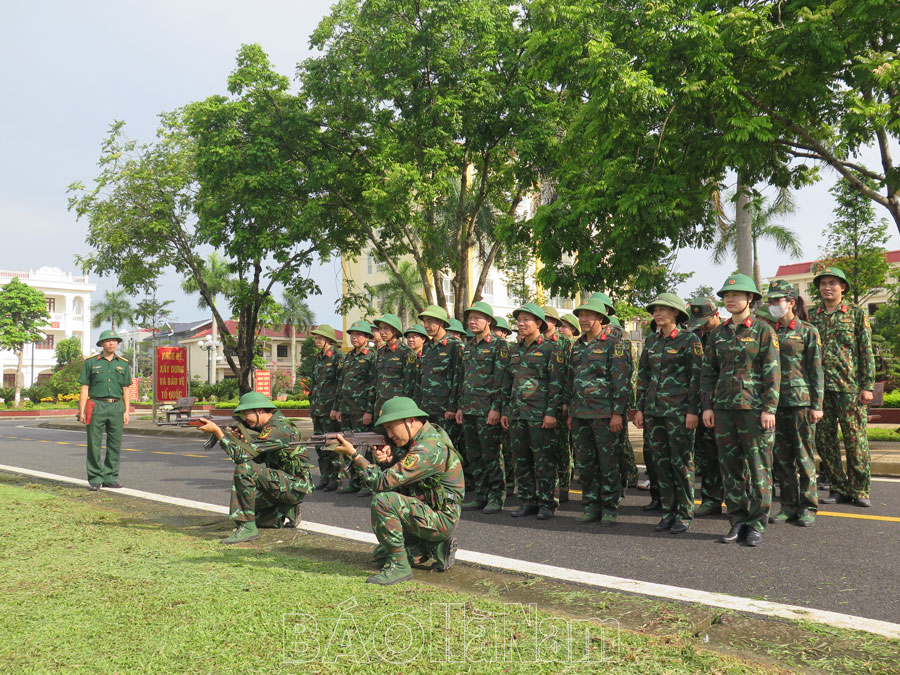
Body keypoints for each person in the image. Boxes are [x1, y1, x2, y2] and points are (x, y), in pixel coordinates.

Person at [331, 397, 464, 585]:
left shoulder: (428, 448)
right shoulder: (421, 441)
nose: (389, 434)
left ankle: (401, 568)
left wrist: (355, 456)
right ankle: (435, 547)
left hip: (440, 519)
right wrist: (388, 460)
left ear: (410, 420)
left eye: (391, 427)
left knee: (384, 501)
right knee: (381, 555)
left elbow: (381, 483)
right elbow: (405, 476)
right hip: (426, 511)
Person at [701, 274, 781, 547]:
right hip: (724, 410)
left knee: (759, 468)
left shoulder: (763, 331)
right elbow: (709, 373)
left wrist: (769, 408)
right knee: (730, 468)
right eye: (726, 296)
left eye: (736, 296)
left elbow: (772, 373)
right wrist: (707, 407)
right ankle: (737, 520)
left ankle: (757, 523)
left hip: (754, 410)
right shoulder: (718, 334)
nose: (730, 300)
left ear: (750, 299)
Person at [198, 392, 314, 543]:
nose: (244, 419)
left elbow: (242, 459)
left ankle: (248, 529)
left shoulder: (278, 429)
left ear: (259, 410)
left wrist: (218, 432)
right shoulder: (272, 427)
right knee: (243, 513)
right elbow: (257, 457)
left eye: (246, 413)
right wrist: (241, 439)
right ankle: (286, 510)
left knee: (244, 469)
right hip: (282, 484)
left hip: (293, 486)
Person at [634, 293, 703, 534]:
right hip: (654, 412)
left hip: (679, 413)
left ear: (676, 313)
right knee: (660, 464)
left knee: (681, 464)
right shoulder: (652, 342)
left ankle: (684, 513)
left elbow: (697, 379)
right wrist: (640, 408)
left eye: (663, 309)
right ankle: (668, 511)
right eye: (655, 309)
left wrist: (693, 411)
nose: (657, 313)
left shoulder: (689, 340)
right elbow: (643, 377)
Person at [809, 266, 876, 507]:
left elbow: (865, 350)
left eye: (832, 283)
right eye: (823, 283)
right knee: (825, 441)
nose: (827, 287)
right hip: (821, 390)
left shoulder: (856, 313)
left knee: (855, 440)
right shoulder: (812, 315)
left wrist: (867, 385)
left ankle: (860, 489)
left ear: (843, 287)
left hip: (850, 388)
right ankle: (838, 487)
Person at [566, 298, 630, 526]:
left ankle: (610, 508)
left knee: (608, 462)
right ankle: (591, 505)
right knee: (585, 463)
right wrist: (571, 412)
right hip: (581, 413)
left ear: (600, 318)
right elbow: (571, 381)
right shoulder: (577, 345)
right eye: (581, 315)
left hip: (604, 414)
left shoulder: (614, 344)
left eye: (588, 315)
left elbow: (620, 381)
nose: (583, 319)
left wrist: (617, 414)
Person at [766, 280, 824, 526]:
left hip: (800, 402)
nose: (772, 305)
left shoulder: (808, 331)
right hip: (774, 403)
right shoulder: (768, 331)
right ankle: (788, 506)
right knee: (781, 457)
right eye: (770, 301)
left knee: (804, 455)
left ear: (791, 302)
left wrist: (817, 404)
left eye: (777, 301)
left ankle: (808, 506)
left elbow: (816, 370)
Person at [501, 303, 563, 519]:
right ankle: (528, 500)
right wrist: (506, 411)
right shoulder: (514, 350)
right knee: (521, 460)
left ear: (538, 323)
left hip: (540, 414)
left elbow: (556, 383)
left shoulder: (551, 349)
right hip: (518, 414)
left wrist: (551, 412)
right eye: (519, 320)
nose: (521, 323)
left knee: (544, 460)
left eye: (526, 319)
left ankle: (547, 502)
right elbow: (509, 383)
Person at [456, 301, 509, 514]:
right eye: (470, 318)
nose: (472, 321)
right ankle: (481, 495)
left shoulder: (498, 345)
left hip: (487, 410)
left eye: (477, 317)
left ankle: (496, 497)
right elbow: (464, 379)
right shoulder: (468, 346)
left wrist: (496, 408)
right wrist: (461, 406)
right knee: (474, 456)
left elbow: (501, 380)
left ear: (488, 321)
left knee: (491, 456)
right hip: (469, 408)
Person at [78, 330, 131, 490]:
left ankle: (110, 477)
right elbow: (85, 387)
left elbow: (126, 389)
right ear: (101, 343)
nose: (111, 343)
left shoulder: (123, 363)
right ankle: (95, 478)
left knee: (115, 443)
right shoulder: (91, 362)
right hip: (96, 405)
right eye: (108, 341)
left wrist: (127, 411)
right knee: (94, 443)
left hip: (116, 406)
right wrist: (81, 411)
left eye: (114, 341)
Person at [687, 297, 724, 516]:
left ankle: (739, 499)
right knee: (708, 454)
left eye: (705, 321)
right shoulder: (695, 337)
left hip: (728, 403)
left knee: (733, 455)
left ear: (716, 315)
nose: (701, 325)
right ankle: (711, 499)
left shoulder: (729, 333)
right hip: (703, 402)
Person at [333, 320, 377, 495]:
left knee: (363, 447)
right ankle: (354, 481)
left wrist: (369, 411)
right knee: (347, 445)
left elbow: (373, 385)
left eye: (358, 335)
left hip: (361, 410)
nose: (354, 337)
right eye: (352, 334)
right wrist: (338, 408)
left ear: (367, 337)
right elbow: (342, 384)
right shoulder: (349, 357)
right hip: (347, 409)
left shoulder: (371, 356)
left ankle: (367, 482)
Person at [542, 305, 575, 504]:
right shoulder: (535, 343)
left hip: (560, 403)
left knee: (562, 447)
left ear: (554, 322)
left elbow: (569, 375)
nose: (542, 321)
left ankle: (564, 488)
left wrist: (566, 401)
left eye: (546, 318)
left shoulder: (564, 343)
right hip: (539, 404)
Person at [309, 325, 343, 491]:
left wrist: (336, 408)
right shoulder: (318, 358)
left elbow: (340, 384)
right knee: (320, 445)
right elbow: (314, 384)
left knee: (332, 446)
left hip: (330, 410)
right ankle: (324, 477)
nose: (317, 341)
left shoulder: (337, 357)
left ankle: (336, 479)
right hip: (317, 409)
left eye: (320, 338)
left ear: (328, 340)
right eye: (316, 338)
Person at [372, 313, 418, 422]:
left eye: (386, 328)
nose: (382, 332)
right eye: (380, 329)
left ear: (395, 331)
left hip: (396, 407)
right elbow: (376, 381)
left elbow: (410, 384)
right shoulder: (381, 352)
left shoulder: (406, 352)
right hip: (380, 405)